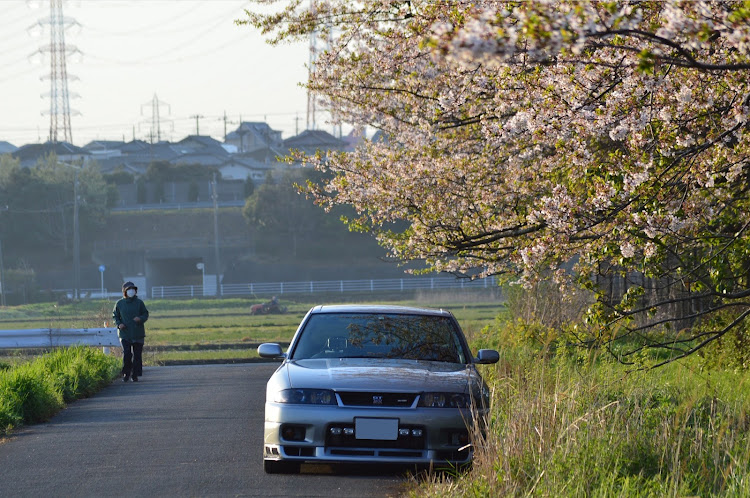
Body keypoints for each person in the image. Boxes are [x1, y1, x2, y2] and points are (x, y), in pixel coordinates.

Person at [113, 281, 149, 382]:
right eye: (129, 290)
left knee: (137, 355)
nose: (131, 291)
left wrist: (140, 318)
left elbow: (145, 314)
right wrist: (119, 324)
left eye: (133, 289)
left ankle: (135, 374)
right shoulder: (119, 303)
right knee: (127, 354)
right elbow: (115, 316)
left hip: (138, 332)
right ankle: (126, 373)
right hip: (125, 333)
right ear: (125, 291)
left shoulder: (139, 303)